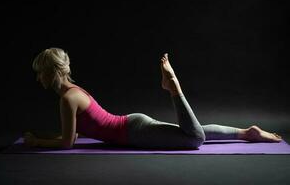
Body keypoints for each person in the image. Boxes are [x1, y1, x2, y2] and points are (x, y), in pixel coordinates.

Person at [24, 48, 282, 149]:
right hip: (133, 124)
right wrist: (45, 137)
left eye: (40, 74)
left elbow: (68, 143)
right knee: (191, 131)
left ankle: (174, 89)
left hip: (133, 133)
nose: (38, 79)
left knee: (194, 139)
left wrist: (35, 142)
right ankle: (248, 133)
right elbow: (74, 136)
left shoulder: (67, 100)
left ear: (50, 73)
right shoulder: (74, 92)